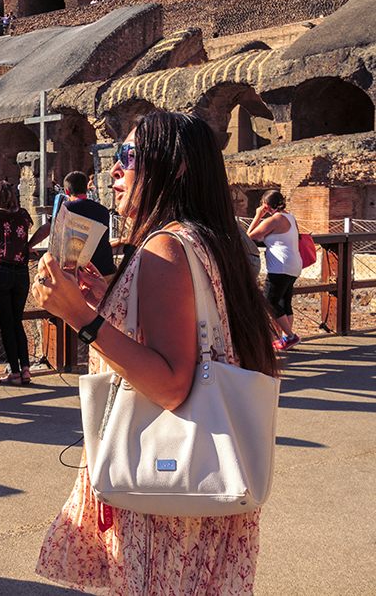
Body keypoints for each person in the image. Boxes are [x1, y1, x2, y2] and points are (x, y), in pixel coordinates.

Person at [32, 112, 279, 595]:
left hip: (168, 497)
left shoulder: (165, 246)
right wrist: (106, 302)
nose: (114, 171)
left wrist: (80, 318)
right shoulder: (205, 239)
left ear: (176, 166)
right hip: (205, 490)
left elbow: (171, 382)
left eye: (129, 157)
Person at [0, 181, 47, 385]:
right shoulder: (23, 214)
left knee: (7, 324)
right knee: (18, 322)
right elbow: (26, 237)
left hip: (1, 272)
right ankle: (25, 370)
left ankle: (14, 373)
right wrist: (27, 247)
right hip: (21, 273)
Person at [247, 189, 302, 350]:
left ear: (265, 205)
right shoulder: (290, 217)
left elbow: (249, 235)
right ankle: (285, 338)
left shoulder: (274, 220)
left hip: (280, 266)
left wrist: (258, 215)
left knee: (268, 302)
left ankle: (290, 336)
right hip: (294, 264)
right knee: (285, 303)